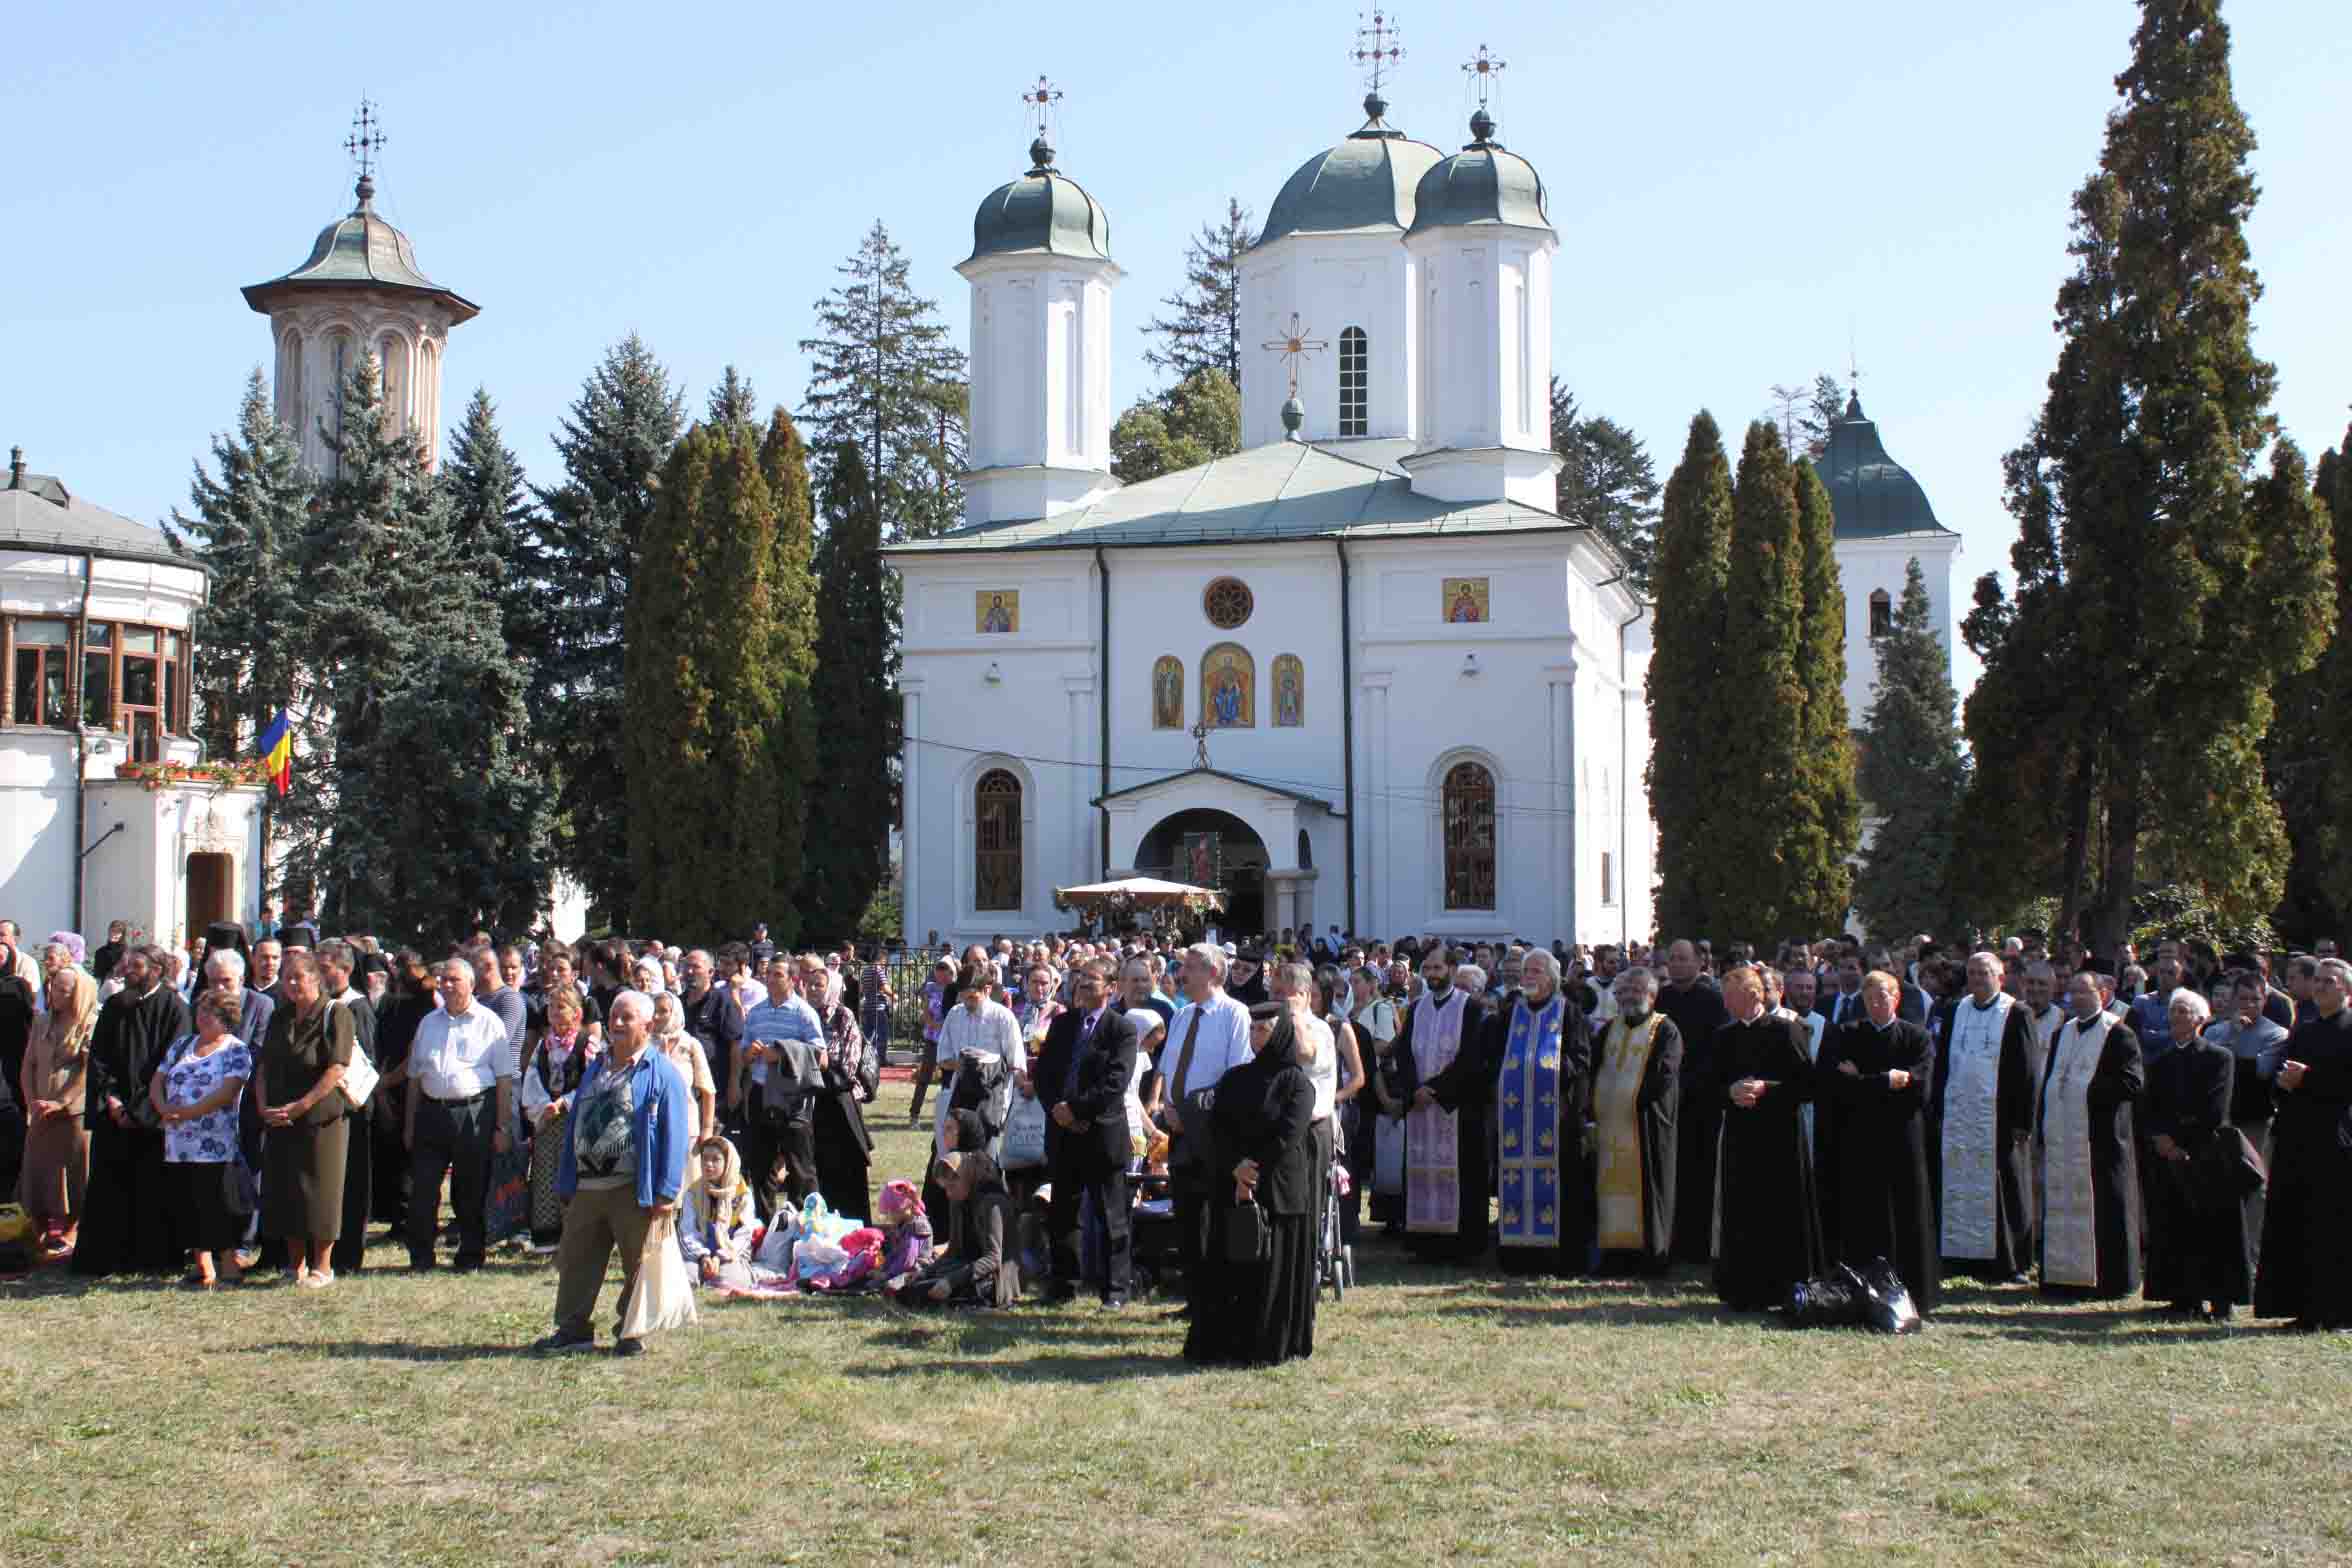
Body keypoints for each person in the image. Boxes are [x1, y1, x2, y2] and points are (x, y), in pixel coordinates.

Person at [535, 991, 690, 1355]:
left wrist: (666, 1192)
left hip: (632, 1188)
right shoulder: (597, 1066)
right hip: (588, 1187)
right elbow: (577, 1122)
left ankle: (630, 1332)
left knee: (637, 1263)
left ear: (648, 1026)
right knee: (576, 1260)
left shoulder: (662, 1073)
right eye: (614, 1017)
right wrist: (568, 1179)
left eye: (627, 1018)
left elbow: (675, 1133)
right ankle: (573, 1330)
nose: (616, 1023)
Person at [1418, 950, 1592, 1275]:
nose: (1528, 977)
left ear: (1552, 978)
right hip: (1513, 1118)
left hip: (1556, 1119)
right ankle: (1517, 1253)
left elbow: (1580, 1061)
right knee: (1513, 1181)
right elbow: (1487, 1058)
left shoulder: (1569, 1013)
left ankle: (1558, 1258)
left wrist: (1545, 1070)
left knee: (1560, 1185)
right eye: (1526, 971)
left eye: (1536, 971)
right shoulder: (1510, 1014)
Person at [1183, 1002, 1318, 1365]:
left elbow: (1287, 1136)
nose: (1257, 1036)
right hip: (1232, 1185)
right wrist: (1235, 1168)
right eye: (1254, 1030)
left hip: (1278, 1189)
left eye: (1266, 1029)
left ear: (1283, 1032)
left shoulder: (1297, 1083)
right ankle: (1227, 1342)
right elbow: (1217, 1131)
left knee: (1273, 1266)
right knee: (1232, 1264)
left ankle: (1268, 1343)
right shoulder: (1236, 1077)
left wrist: (1252, 1172)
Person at [1814, 971, 1939, 1315]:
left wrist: (1864, 1081)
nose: (1876, 1003)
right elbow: (1837, 1087)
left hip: (1903, 1139)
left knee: (1906, 1211)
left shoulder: (1917, 1038)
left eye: (1883, 996)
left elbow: (1920, 1089)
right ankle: (1861, 1290)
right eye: (1870, 997)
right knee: (1862, 1212)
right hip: (1860, 1139)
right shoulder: (1848, 1035)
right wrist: (1887, 1081)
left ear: (1897, 998)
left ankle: (1912, 1290)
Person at [72, 945, 190, 1277]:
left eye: (137, 966)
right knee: (109, 1189)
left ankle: (150, 1259)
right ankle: (105, 1258)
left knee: (152, 1191)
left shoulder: (175, 1009)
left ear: (157, 968)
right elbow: (100, 1058)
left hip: (152, 1118)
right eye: (128, 965)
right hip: (115, 1115)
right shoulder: (115, 1005)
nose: (129, 971)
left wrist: (138, 1110)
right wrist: (111, 1099)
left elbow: (171, 1063)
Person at [1710, 964, 1820, 1310]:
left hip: (1780, 1136)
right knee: (1743, 1209)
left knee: (1780, 1210)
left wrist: (1765, 1089)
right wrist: (1729, 1091)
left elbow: (1808, 1085)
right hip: (1740, 1135)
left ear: (1753, 995)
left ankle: (1784, 1287)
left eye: (1730, 996)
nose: (1725, 1003)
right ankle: (1743, 1287)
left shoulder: (1788, 1031)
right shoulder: (1723, 1036)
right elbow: (1704, 1084)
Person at [1032, 959, 1142, 1307]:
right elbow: (1045, 1074)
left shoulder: (1121, 1030)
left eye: (1092, 981)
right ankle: (1063, 1285)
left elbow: (1114, 1083)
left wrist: (1077, 1110)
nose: (1082, 986)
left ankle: (1115, 1291)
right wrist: (1057, 1110)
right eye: (1080, 980)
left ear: (1111, 988)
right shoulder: (1063, 1024)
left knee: (1112, 1217)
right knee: (1063, 1214)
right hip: (1063, 1135)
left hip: (1102, 1134)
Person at [2253, 957, 2352, 1331]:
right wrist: (2285, 1082)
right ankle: (2304, 1308)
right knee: (2301, 1224)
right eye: (2320, 981)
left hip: (2337, 1138)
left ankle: (2340, 1311)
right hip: (2298, 1136)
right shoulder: (2305, 1029)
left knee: (2335, 1227)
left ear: (2346, 989)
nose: (2322, 987)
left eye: (2330, 981)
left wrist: (2309, 1080)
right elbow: (2283, 1070)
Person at [1929, 952, 2038, 1284]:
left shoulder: (2016, 1013)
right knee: (1959, 1184)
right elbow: (1943, 1062)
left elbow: (2027, 1070)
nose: (1978, 978)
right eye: (1973, 972)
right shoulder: (1955, 1011)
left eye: (1985, 973)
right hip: (1960, 1117)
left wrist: (2024, 1120)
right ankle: (1960, 1258)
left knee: (2003, 1187)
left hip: (2000, 1118)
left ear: (2000, 977)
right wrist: (1938, 1107)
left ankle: (2009, 1261)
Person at [1156, 943, 1253, 1314]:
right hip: (1179, 1132)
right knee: (1188, 1216)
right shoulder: (1182, 1016)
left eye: (1192, 968)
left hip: (1212, 1131)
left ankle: (1217, 1297)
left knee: (1215, 1215)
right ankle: (1194, 1297)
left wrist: (1193, 1113)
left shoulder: (1235, 1015)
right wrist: (1169, 1107)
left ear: (1213, 972)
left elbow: (1235, 1076)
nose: (1183, 975)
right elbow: (1168, 1070)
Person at [404, 956, 517, 1273]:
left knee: (469, 1190)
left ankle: (469, 1256)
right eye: (443, 979)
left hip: (473, 1113)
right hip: (431, 1112)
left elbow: (504, 1078)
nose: (447, 985)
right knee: (423, 1190)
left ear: (471, 984)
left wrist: (502, 1126)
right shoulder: (429, 1022)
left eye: (454, 979)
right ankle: (421, 1257)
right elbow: (414, 1077)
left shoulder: (489, 1022)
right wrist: (410, 1124)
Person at [2038, 969, 2146, 1299]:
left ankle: (2111, 1281)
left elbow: (2133, 1083)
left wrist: (2088, 1089)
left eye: (2085, 992)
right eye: (2073, 993)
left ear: (2102, 994)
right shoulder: (2062, 1033)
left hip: (2100, 1139)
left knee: (2106, 1210)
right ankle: (2061, 1276)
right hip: (2063, 1138)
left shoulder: (2119, 1034)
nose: (2078, 998)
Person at [2141, 989, 2246, 1320]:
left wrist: (2180, 1141)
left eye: (2185, 1011)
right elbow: (2149, 1107)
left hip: (2207, 1155)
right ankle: (2182, 1297)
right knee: (2176, 1227)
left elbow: (2214, 1110)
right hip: (2168, 1157)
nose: (2177, 1017)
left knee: (2213, 1229)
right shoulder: (2161, 1061)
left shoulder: (2219, 1058)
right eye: (2173, 1011)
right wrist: (2160, 1138)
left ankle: (2220, 1301)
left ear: (2201, 1019)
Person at [254, 952, 354, 1287]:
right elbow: (264, 1065)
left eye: (299, 977)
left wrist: (302, 1104)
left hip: (321, 1118)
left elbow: (337, 1066)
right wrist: (263, 1105)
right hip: (281, 1117)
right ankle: (292, 1265)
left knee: (320, 1190)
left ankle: (322, 1266)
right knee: (285, 1189)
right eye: (287, 978)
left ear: (316, 978)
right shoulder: (280, 1017)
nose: (292, 983)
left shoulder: (337, 1013)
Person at [150, 992, 254, 1287]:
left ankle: (230, 1267)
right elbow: (158, 1079)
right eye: (202, 1010)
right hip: (178, 1143)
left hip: (216, 1144)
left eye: (213, 1012)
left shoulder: (236, 1050)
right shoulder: (182, 1044)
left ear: (227, 1018)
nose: (204, 1016)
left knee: (219, 1205)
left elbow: (228, 1091)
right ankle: (203, 1268)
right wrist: (163, 1107)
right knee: (188, 1203)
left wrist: (187, 1113)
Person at [1393, 947, 1482, 1261]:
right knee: (1420, 1171)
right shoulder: (1416, 1008)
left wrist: (1436, 1090)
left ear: (1453, 969)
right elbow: (1402, 1054)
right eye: (1427, 968)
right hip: (1420, 1108)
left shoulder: (1470, 1007)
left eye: (1437, 968)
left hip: (1454, 1108)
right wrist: (1414, 1089)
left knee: (1460, 1174)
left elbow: (1471, 1058)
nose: (1431, 974)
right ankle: (1423, 1241)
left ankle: (1459, 1245)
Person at [1590, 967, 1680, 1274]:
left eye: (1637, 991)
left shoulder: (1665, 1029)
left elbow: (1664, 1074)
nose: (1629, 997)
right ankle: (1614, 1258)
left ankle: (1651, 1258)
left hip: (1646, 1125)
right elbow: (1593, 1072)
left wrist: (1631, 1101)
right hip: (1610, 1127)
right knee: (1609, 1190)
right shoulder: (1608, 1030)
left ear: (1652, 996)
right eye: (1624, 991)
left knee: (1648, 1189)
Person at [2204, 970, 2288, 1285]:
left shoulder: (2276, 1034)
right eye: (2243, 999)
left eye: (2256, 999)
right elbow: (2210, 1065)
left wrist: (2238, 1053)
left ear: (2265, 999)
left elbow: (2263, 1071)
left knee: (2254, 1190)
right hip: (2219, 1123)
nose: (2249, 1005)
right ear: (2232, 1001)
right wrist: (2234, 1036)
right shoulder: (2215, 1031)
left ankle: (2250, 1263)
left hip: (2254, 1121)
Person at [1656, 940, 1728, 1264]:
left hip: (1702, 1099)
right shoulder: (1661, 998)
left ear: (1699, 962)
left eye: (1684, 959)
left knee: (1699, 1172)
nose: (1677, 964)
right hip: (1666, 1099)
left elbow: (1718, 1050)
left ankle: (1698, 1245)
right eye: (1672, 959)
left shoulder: (1714, 1000)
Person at [20, 966, 97, 1258]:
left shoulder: (89, 1023)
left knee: (76, 1170)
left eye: (65, 990)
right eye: (54, 986)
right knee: (36, 1168)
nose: (56, 993)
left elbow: (87, 1070)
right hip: (40, 1110)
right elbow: (28, 1064)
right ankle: (37, 1226)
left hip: (72, 1113)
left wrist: (62, 1101)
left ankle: (73, 1228)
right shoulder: (41, 1022)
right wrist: (31, 1100)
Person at [739, 957, 826, 1215]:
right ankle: (765, 1228)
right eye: (768, 974)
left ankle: (806, 1226)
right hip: (760, 1092)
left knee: (800, 1168)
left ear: (792, 979)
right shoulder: (756, 1012)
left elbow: (821, 1057)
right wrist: (751, 1054)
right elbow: (743, 1054)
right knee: (761, 1165)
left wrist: (782, 1054)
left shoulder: (803, 1012)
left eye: (777, 974)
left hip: (793, 1097)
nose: (770, 979)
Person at [886, 1149, 1021, 1309]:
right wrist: (924, 1273)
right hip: (966, 1267)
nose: (949, 1194)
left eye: (952, 1186)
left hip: (995, 1279)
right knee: (907, 1288)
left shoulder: (991, 1202)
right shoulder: (957, 1201)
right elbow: (954, 1251)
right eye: (945, 1188)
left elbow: (992, 1258)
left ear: (965, 1177)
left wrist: (950, 1282)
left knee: (917, 1294)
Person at [316, 941, 377, 1276]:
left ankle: (348, 1254)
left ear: (346, 969)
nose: (320, 975)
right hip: (325, 1109)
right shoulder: (322, 1005)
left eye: (326, 968)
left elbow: (364, 1062)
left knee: (351, 1184)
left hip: (351, 1108)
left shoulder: (357, 1007)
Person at [519, 986, 597, 1252]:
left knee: (574, 1175)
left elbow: (595, 1081)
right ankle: (547, 1237)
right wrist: (543, 1105)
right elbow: (531, 1077)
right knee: (545, 1173)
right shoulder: (544, 1044)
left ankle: (576, 1236)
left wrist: (565, 1102)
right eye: (551, 1006)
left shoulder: (588, 1043)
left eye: (561, 1006)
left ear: (576, 1013)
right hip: (547, 1119)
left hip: (576, 1121)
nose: (554, 1012)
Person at [800, 955, 875, 1222]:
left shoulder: (843, 1016)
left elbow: (849, 1064)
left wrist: (818, 1061)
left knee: (846, 1170)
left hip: (839, 1102)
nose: (813, 990)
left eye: (819, 985)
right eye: (809, 984)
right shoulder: (802, 1015)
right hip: (810, 1102)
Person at [679, 1134, 759, 1291]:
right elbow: (686, 1231)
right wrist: (703, 1256)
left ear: (729, 1162)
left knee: (729, 1281)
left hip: (730, 1255)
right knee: (684, 1278)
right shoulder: (693, 1192)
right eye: (705, 1158)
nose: (708, 1164)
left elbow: (744, 1235)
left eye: (715, 1159)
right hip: (698, 1256)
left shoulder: (743, 1194)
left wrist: (719, 1256)